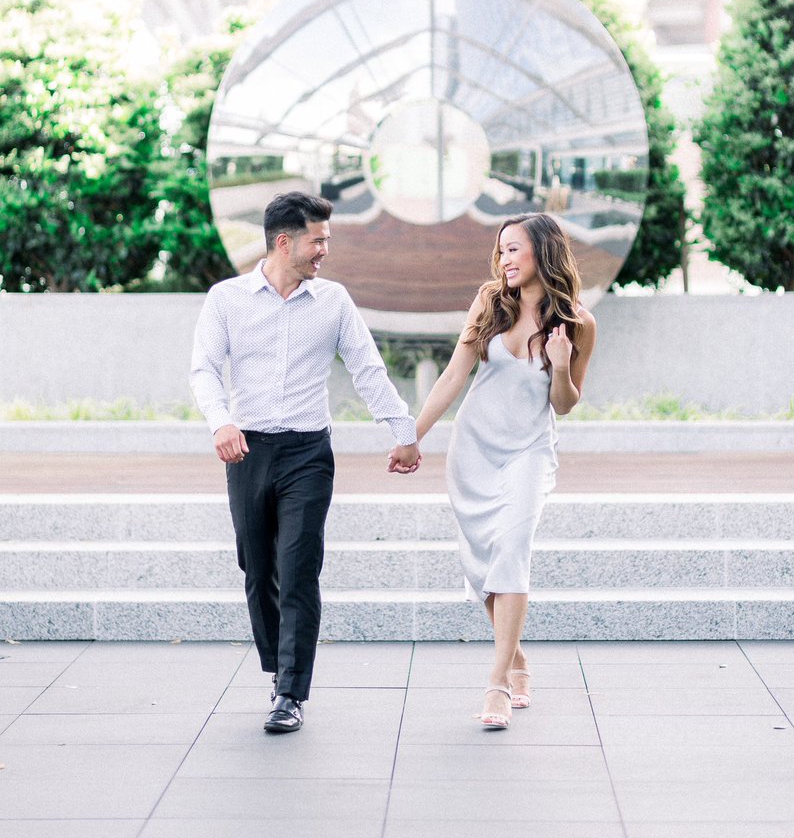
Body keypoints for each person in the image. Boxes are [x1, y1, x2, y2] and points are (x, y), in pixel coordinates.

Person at [190, 191, 420, 735]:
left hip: (308, 453)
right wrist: (220, 421)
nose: (324, 250)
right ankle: (278, 669)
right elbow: (203, 369)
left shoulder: (333, 301)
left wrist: (403, 430)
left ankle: (291, 691)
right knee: (257, 568)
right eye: (318, 240)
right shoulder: (226, 299)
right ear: (284, 240)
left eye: (326, 240)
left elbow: (367, 368)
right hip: (246, 449)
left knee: (298, 568)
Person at [394, 212, 596, 730]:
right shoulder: (489, 302)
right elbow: (454, 375)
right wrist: (412, 435)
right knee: (482, 565)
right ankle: (519, 660)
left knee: (512, 550)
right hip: (475, 450)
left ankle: (497, 682)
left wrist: (560, 359)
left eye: (514, 249)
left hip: (528, 452)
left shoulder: (577, 322)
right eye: (501, 250)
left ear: (542, 252)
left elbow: (566, 404)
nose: (505, 259)